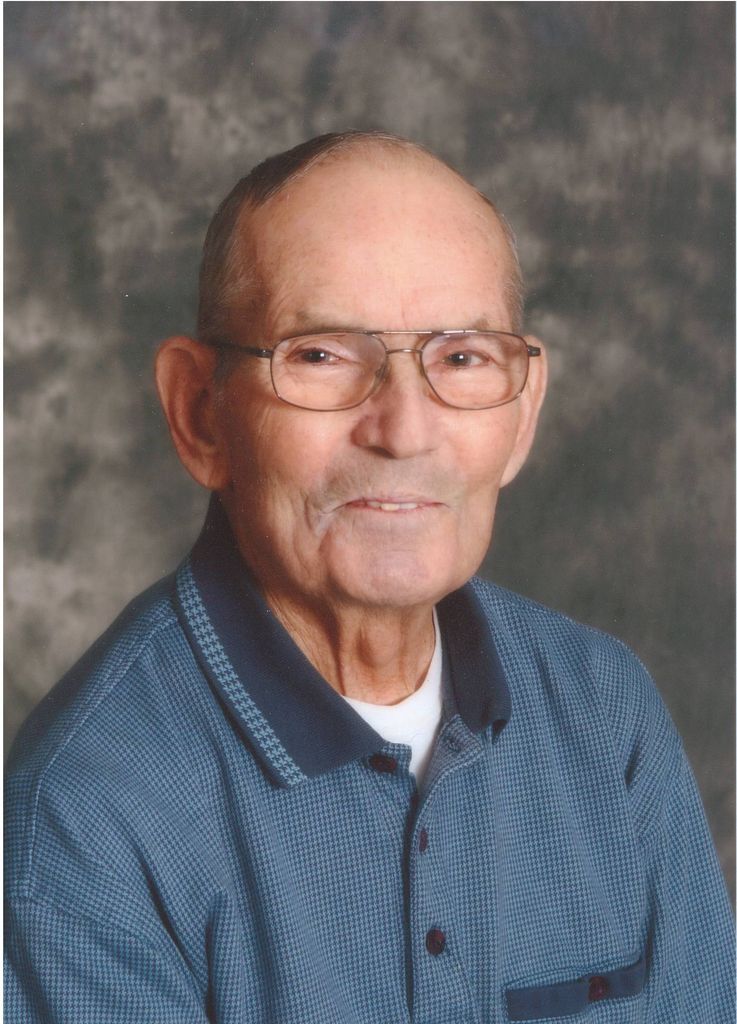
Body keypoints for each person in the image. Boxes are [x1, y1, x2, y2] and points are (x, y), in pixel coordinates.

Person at [5, 130, 733, 1022]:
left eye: (461, 358)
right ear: (199, 414)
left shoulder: (603, 709)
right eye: (321, 354)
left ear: (522, 414)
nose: (403, 430)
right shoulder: (86, 810)